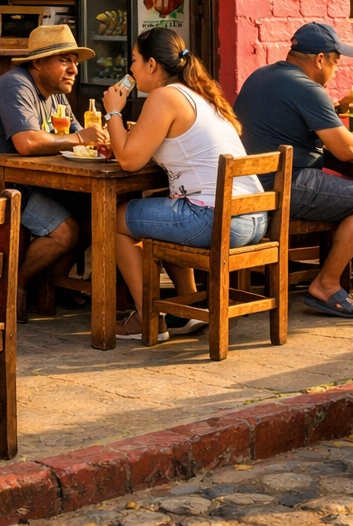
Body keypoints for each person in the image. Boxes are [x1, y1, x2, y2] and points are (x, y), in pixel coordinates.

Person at [103, 28, 265, 341]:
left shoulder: (165, 96)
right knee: (163, 208)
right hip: (253, 217)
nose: (131, 70)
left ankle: (146, 318)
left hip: (217, 219)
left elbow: (128, 161)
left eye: (134, 61)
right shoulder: (196, 94)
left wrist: (113, 112)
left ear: (151, 65)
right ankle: (186, 306)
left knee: (112, 219)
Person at [236, 22, 353, 319]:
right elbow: (346, 149)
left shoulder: (261, 75)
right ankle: (327, 284)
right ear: (320, 59)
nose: (335, 71)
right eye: (335, 63)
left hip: (249, 184)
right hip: (283, 184)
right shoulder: (307, 89)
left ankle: (332, 280)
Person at [0, 25, 107, 316]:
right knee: (65, 233)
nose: (74, 69)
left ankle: (50, 284)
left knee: (97, 213)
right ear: (38, 62)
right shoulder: (17, 86)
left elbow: (80, 134)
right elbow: (26, 143)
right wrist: (80, 138)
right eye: (65, 60)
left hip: (25, 183)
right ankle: (14, 288)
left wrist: (100, 140)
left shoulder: (55, 93)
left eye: (75, 61)